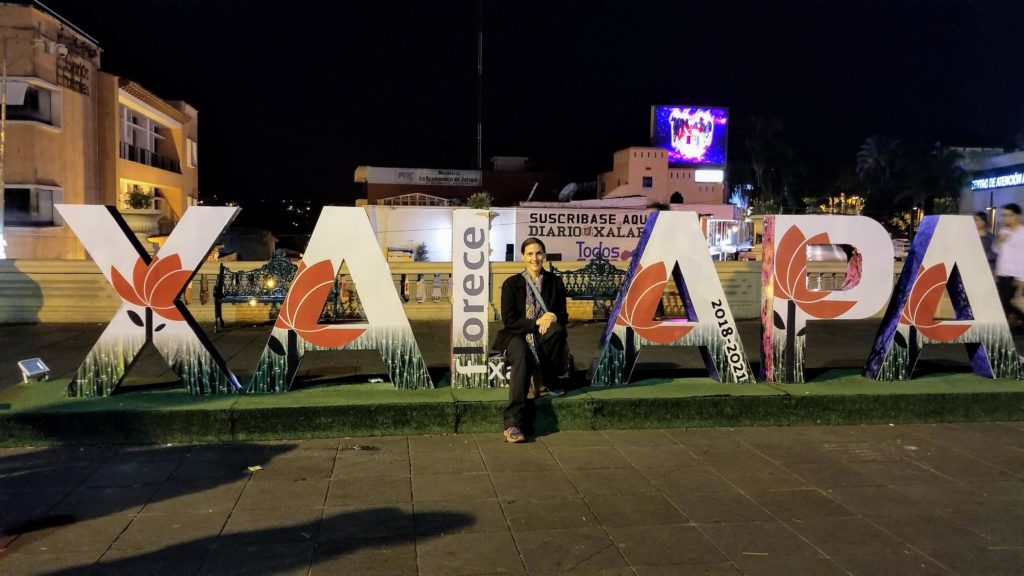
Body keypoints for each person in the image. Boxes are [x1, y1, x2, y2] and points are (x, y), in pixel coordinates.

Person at [492, 237, 570, 443]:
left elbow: (563, 315)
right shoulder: (512, 284)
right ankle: (512, 424)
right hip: (517, 334)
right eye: (530, 254)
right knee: (523, 357)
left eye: (538, 253)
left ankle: (546, 378)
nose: (534, 258)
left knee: (557, 331)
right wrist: (536, 322)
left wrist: (553, 316)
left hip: (543, 333)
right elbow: (510, 320)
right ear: (523, 257)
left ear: (544, 255)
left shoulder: (555, 282)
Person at [992, 203, 1024, 330]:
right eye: (1003, 215)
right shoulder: (1003, 230)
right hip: (1002, 272)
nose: (1005, 218)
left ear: (1016, 216)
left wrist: (1022, 278)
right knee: (1002, 302)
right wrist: (999, 241)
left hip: (1015, 274)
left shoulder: (1022, 233)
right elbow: (996, 249)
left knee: (1003, 302)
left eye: (1008, 215)